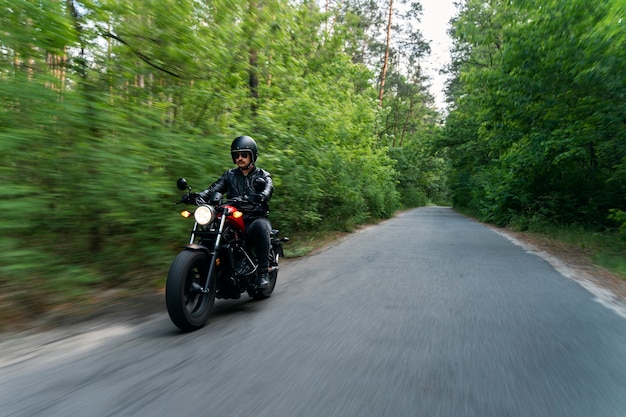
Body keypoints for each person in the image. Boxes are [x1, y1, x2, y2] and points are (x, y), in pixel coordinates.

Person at [198, 136, 274, 289]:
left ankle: (263, 272)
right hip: (232, 218)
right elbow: (214, 188)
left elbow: (268, 188)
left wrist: (262, 196)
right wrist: (200, 195)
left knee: (260, 226)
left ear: (252, 156)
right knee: (209, 231)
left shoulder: (262, 175)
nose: (240, 158)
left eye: (244, 155)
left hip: (254, 219)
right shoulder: (230, 175)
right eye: (236, 155)